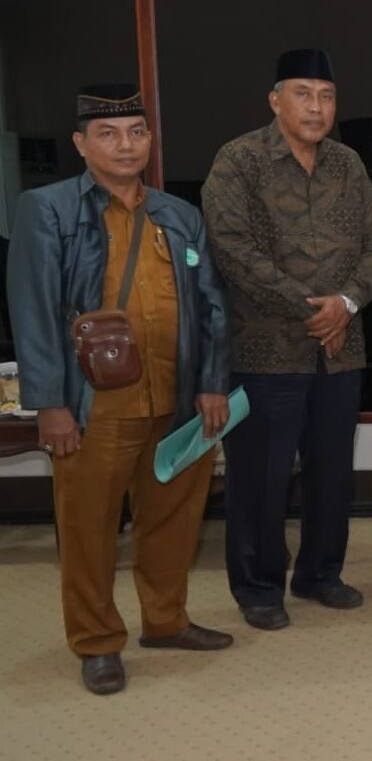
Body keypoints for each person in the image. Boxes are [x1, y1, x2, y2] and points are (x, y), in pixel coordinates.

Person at [7, 84, 233, 694]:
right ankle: (97, 641)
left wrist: (213, 384)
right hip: (92, 407)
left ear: (150, 141)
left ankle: (165, 620)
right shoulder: (47, 209)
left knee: (173, 520)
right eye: (108, 134)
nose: (125, 144)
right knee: (89, 527)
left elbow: (212, 306)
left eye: (136, 131)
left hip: (178, 398)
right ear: (81, 144)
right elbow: (33, 311)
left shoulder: (178, 215)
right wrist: (50, 403)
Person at [201, 49, 372, 630]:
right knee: (262, 476)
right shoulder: (239, 161)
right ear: (276, 100)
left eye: (326, 95)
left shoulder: (348, 164)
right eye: (303, 93)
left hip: (340, 348)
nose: (316, 106)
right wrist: (312, 308)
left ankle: (321, 574)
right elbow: (233, 251)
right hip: (266, 350)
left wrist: (347, 303)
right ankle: (258, 587)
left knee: (333, 473)